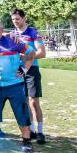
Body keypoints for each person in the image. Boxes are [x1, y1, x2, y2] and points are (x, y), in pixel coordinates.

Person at [0, 20, 36, 152]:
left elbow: (31, 53)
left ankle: (26, 140)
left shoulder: (13, 41)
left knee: (21, 112)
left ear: (2, 30)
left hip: (15, 85)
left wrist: (24, 69)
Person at [10, 8, 47, 144]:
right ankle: (30, 130)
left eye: (17, 19)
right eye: (13, 19)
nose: (15, 22)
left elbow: (42, 53)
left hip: (32, 70)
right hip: (18, 70)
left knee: (33, 102)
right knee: (24, 102)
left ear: (24, 18)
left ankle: (40, 131)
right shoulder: (12, 34)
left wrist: (24, 56)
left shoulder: (32, 32)